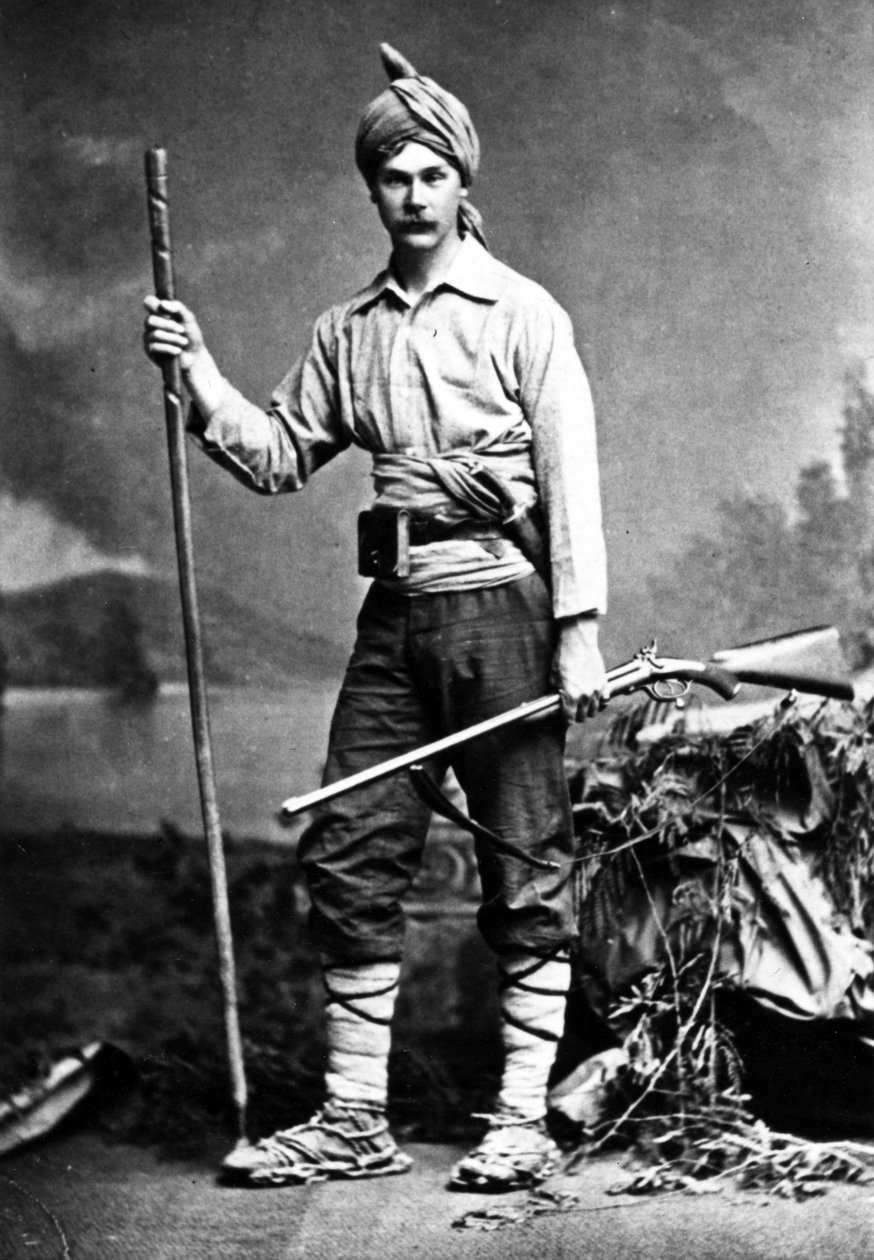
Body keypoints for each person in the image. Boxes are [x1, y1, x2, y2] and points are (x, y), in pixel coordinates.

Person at [143, 43, 609, 1193]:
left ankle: (518, 1118)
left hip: (502, 612)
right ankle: (354, 1118)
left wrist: (579, 628)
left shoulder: (522, 315)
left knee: (525, 859)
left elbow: (572, 478)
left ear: (461, 181)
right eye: (392, 177)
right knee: (350, 845)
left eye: (431, 174)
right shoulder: (347, 331)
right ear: (371, 190)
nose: (412, 195)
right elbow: (275, 455)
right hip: (394, 625)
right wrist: (198, 374)